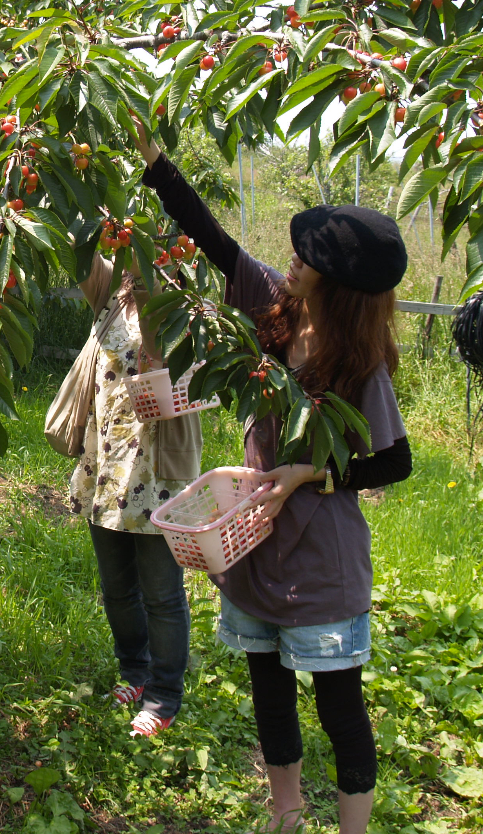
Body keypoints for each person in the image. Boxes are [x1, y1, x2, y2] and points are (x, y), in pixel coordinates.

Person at [134, 118, 412, 833]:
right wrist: (154, 160)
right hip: (254, 546)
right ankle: (285, 813)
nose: (292, 258)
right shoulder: (275, 314)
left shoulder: (360, 364)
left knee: (339, 708)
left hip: (321, 563)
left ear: (341, 280)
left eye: (309, 255)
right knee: (269, 688)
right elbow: (214, 240)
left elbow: (393, 460)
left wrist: (305, 476)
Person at [70, 220, 203, 737]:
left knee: (162, 591)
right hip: (106, 465)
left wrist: (150, 267)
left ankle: (165, 694)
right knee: (116, 587)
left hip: (157, 469)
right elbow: (77, 253)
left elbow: (161, 346)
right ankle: (134, 669)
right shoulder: (108, 295)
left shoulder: (183, 311)